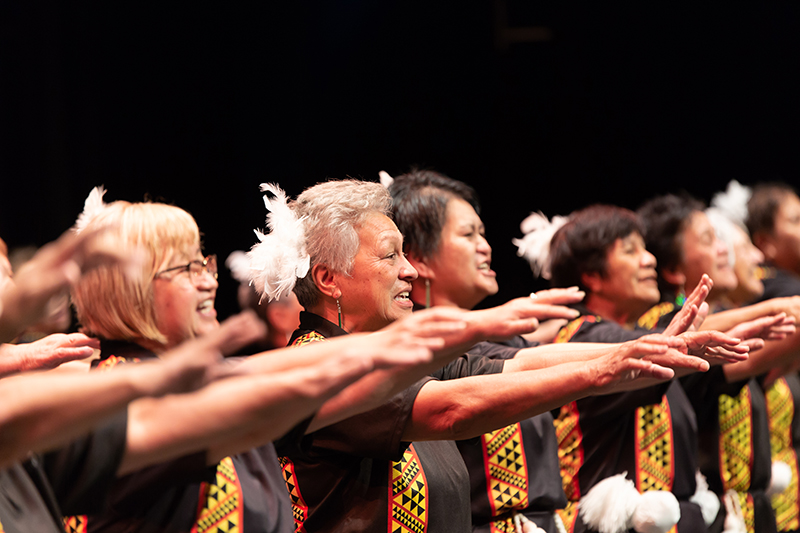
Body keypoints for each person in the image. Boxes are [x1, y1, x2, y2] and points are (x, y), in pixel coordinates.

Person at [251, 179, 745, 533]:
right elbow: (450, 409)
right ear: (328, 279)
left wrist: (636, 351)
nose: (408, 270)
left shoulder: (395, 356)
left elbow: (517, 363)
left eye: (406, 253)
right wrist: (602, 371)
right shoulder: (318, 368)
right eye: (389, 256)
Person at [65, 186, 485, 533]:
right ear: (130, 288)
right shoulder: (117, 399)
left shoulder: (191, 385)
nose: (208, 281)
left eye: (204, 263)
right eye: (186, 268)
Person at [518, 204, 790, 533]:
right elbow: (643, 343)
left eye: (646, 249)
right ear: (591, 275)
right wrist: (777, 307)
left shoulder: (640, 338)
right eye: (631, 251)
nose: (648, 260)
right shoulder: (584, 336)